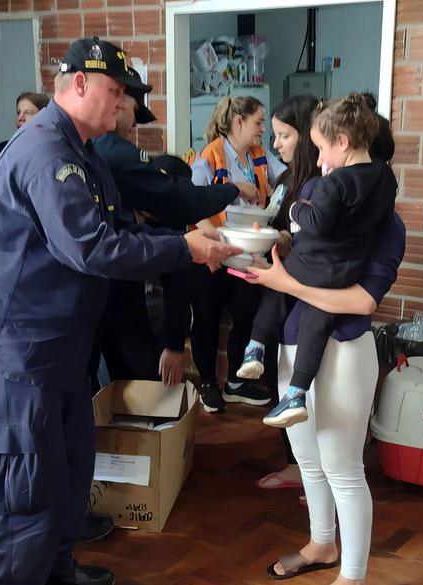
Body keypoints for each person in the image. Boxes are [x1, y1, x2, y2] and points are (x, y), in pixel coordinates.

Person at [0, 36, 238, 585]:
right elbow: (90, 248)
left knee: (71, 472)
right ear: (78, 84)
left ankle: (57, 572)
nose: (123, 103)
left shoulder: (84, 153)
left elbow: (119, 230)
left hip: (59, 348)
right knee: (26, 488)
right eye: (114, 90)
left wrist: (188, 240)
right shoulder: (44, 152)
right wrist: (184, 249)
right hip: (17, 351)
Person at [245, 175, 404, 585]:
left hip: (345, 348)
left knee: (343, 467)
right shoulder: (318, 198)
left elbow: (363, 300)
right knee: (308, 460)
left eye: (326, 148)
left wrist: (289, 284)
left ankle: (353, 576)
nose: (320, 162)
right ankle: (321, 543)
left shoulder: (387, 223)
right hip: (293, 345)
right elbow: (303, 261)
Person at [240, 94, 396, 429]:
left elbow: (319, 223)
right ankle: (296, 392)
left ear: (343, 141)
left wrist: (298, 209)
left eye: (322, 149)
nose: (319, 157)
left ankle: (254, 347)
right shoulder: (384, 179)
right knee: (316, 316)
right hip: (346, 270)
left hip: (314, 266)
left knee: (273, 288)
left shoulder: (333, 182)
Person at [93, 68, 242, 387]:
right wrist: (233, 189)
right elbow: (178, 197)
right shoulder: (110, 152)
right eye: (134, 111)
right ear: (118, 101)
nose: (133, 123)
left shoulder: (96, 150)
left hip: (108, 295)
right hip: (99, 296)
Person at [189, 95, 287, 414]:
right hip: (214, 248)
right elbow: (192, 203)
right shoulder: (210, 155)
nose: (263, 130)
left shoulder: (259, 154)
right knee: (207, 317)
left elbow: (283, 176)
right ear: (238, 122)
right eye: (259, 122)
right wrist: (215, 238)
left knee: (246, 314)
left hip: (247, 250)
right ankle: (207, 383)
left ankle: (235, 381)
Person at [254, 94, 323, 493]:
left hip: (303, 294)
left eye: (284, 135)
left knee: (303, 384)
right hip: (274, 285)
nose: (275, 144)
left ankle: (310, 470)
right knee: (277, 377)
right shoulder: (284, 181)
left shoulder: (319, 184)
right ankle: (297, 463)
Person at [0, 91, 50, 166]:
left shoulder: (51, 151)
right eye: (18, 112)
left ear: (43, 116)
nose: (20, 118)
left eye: (28, 113)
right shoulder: (3, 150)